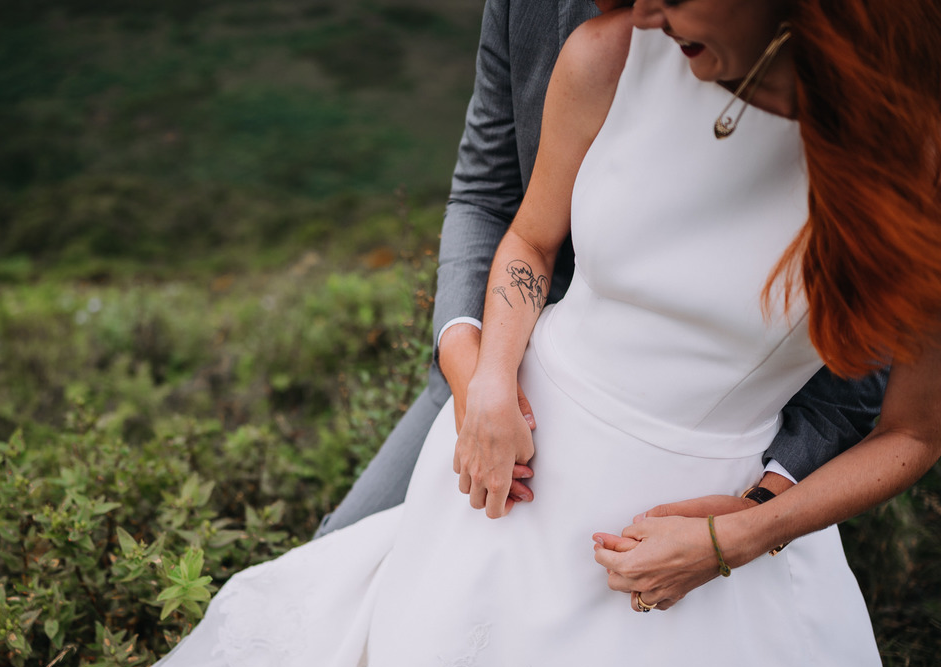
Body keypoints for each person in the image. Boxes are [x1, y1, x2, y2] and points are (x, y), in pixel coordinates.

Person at [14, 0, 941, 667]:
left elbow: (911, 430)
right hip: (512, 473)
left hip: (708, 522)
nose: (645, 8)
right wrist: (490, 376)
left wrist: (741, 532)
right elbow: (524, 238)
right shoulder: (609, 52)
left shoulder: (913, 162)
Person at [314, 0, 886, 539]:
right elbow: (487, 198)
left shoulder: (887, 150)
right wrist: (477, 370)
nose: (641, 15)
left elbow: (878, 383)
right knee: (333, 573)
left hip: (718, 471)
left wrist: (763, 506)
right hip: (516, 369)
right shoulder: (588, 42)